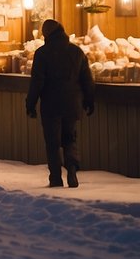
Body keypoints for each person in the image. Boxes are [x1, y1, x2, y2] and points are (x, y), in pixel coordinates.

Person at [26, 18, 95, 187]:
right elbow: (87, 79)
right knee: (70, 138)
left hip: (50, 104)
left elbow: (37, 82)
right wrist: (89, 100)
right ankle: (72, 169)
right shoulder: (76, 51)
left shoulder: (42, 53)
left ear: (46, 35)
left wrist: (30, 103)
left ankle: (55, 177)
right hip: (72, 104)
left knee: (53, 143)